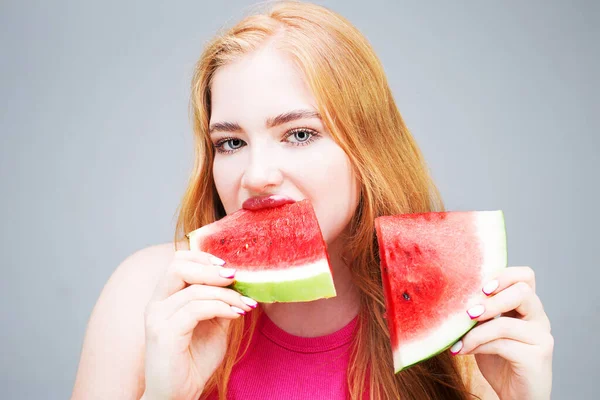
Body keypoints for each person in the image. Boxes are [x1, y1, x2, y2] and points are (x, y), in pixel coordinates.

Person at [71, 1, 554, 399]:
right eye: (231, 143)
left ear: (368, 147)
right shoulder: (143, 298)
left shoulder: (467, 323)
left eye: (299, 134)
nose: (257, 175)